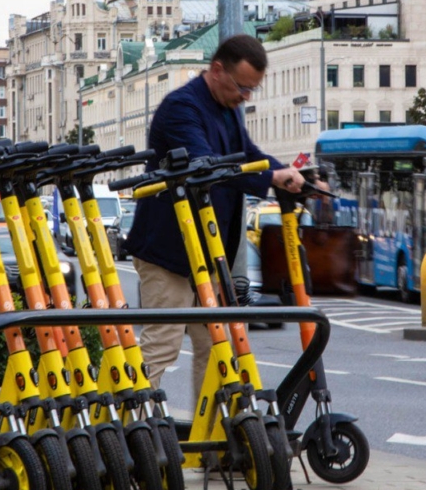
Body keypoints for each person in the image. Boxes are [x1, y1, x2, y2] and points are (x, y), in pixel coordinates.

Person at [124, 34, 305, 404]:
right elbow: (206, 165)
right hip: (168, 253)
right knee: (162, 344)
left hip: (207, 255)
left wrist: (284, 172)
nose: (246, 97)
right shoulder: (181, 108)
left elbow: (248, 155)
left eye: (252, 90)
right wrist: (269, 177)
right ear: (217, 69)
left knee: (217, 348)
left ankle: (212, 442)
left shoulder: (228, 109)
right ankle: (124, 431)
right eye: (242, 87)